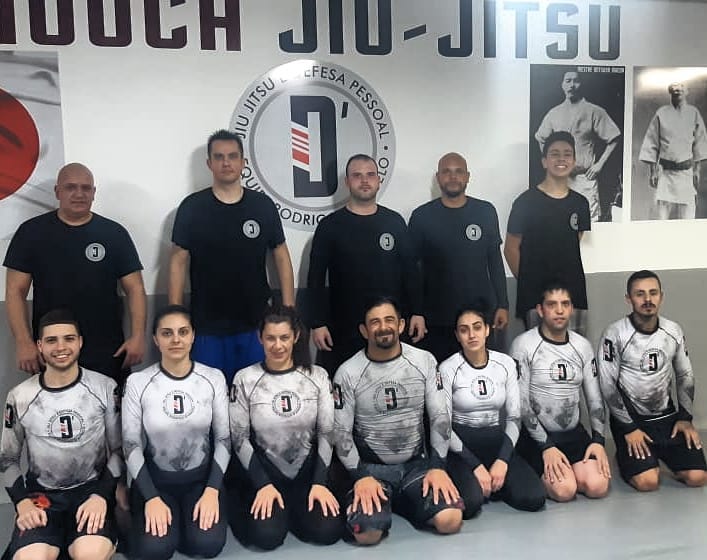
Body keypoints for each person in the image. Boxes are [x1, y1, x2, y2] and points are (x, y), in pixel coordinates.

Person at [333, 296, 463, 545]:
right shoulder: (347, 372)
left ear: (401, 325)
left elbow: (439, 416)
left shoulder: (424, 360)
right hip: (372, 471)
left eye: (389, 320)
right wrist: (360, 476)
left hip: (416, 465)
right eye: (375, 322)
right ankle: (390, 502)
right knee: (367, 535)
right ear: (364, 330)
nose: (383, 327)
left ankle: (403, 499)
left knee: (451, 520)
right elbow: (341, 433)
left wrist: (438, 466)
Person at [169, 129, 295, 383]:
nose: (226, 163)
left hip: (256, 323)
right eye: (219, 157)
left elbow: (281, 255)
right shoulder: (192, 207)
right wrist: (174, 314)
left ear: (243, 162)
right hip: (206, 325)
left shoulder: (262, 206)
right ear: (209, 164)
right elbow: (178, 262)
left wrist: (289, 307)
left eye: (232, 156)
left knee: (256, 393)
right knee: (210, 395)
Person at [4, 162, 146, 384]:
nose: (79, 194)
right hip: (53, 348)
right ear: (57, 192)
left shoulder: (114, 233)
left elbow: (135, 288)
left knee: (109, 406)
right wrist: (23, 342)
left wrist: (138, 336)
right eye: (70, 187)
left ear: (94, 192)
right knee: (55, 405)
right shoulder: (31, 232)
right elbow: (15, 291)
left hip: (106, 349)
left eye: (86, 188)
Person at [0, 310, 122, 560]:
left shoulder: (104, 387)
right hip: (42, 497)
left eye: (69, 338)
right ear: (39, 346)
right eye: (51, 340)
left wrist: (102, 495)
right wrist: (22, 503)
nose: (61, 347)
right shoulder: (20, 395)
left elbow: (119, 451)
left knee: (89, 554)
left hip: (90, 492)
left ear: (80, 342)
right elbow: (8, 458)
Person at [228, 305, 343, 549]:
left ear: (296, 336)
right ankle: (265, 510)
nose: (277, 345)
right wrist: (262, 484)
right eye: (270, 338)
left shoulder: (318, 376)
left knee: (328, 532)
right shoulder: (245, 378)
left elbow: (326, 432)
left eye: (284, 337)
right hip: (266, 475)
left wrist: (320, 483)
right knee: (266, 538)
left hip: (306, 476)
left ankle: (293, 513)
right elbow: (239, 438)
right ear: (260, 338)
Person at [122, 305, 230, 559]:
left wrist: (212, 490)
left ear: (193, 336)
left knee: (207, 545)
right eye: (167, 333)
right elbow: (130, 444)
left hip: (201, 481)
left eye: (183, 332)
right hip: (156, 483)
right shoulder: (138, 382)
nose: (176, 339)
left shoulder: (213, 378)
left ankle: (187, 523)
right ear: (155, 339)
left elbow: (224, 439)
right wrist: (151, 497)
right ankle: (166, 522)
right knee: (155, 550)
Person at [307, 154, 424, 376]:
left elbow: (411, 272)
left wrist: (418, 312)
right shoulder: (330, 226)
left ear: (379, 180)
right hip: (343, 328)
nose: (364, 180)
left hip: (388, 327)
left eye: (370, 175)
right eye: (357, 175)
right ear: (347, 182)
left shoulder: (394, 222)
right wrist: (317, 323)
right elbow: (315, 278)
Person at [598, 270, 707, 491]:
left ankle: (657, 454)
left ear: (661, 296)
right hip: (631, 421)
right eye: (640, 294)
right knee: (648, 482)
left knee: (698, 477)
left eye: (653, 293)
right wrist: (628, 428)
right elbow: (607, 385)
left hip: (666, 418)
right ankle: (627, 456)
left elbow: (685, 375)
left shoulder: (673, 330)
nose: (647, 299)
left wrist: (685, 418)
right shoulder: (615, 333)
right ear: (628, 299)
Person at [441, 302, 545, 515]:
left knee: (534, 498)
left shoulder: (505, 363)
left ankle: (496, 483)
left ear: (487, 330)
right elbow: (443, 426)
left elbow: (514, 417)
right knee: (470, 504)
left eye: (477, 327)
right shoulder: (447, 368)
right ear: (457, 335)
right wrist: (475, 465)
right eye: (464, 330)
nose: (472, 335)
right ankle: (483, 484)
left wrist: (503, 461)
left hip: (497, 445)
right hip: (462, 451)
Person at [510, 283, 610, 502]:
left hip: (573, 434)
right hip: (538, 438)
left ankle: (572, 470)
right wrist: (546, 446)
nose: (559, 310)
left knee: (598, 486)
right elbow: (522, 404)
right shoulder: (524, 345)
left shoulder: (582, 346)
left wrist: (598, 441)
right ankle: (553, 470)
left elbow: (594, 399)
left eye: (565, 304)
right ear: (540, 310)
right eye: (552, 305)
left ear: (571, 308)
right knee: (565, 490)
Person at [408, 153, 509, 360]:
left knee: (480, 374)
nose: (453, 177)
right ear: (438, 177)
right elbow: (412, 270)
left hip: (479, 317)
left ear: (467, 176)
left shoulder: (485, 212)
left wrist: (503, 304)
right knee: (440, 375)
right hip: (437, 318)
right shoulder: (421, 216)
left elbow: (495, 261)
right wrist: (416, 312)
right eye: (446, 172)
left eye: (458, 171)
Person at [504, 131, 591, 335]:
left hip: (573, 295)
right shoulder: (525, 203)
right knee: (538, 351)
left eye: (567, 154)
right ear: (544, 161)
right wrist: (529, 281)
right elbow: (510, 249)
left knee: (574, 350)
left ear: (574, 161)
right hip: (536, 298)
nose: (561, 159)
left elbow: (574, 241)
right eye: (554, 154)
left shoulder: (580, 203)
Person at [535, 70, 621, 222]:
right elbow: (541, 138)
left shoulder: (594, 111)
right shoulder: (554, 113)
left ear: (582, 84)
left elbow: (614, 137)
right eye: (568, 81)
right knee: (559, 222)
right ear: (562, 85)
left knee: (589, 224)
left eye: (576, 81)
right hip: (561, 179)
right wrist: (551, 166)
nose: (572, 85)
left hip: (584, 178)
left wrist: (599, 165)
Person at [638, 82, 707, 220]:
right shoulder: (661, 113)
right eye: (674, 87)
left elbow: (700, 143)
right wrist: (653, 171)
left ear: (686, 91)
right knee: (662, 219)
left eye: (680, 87)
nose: (677, 89)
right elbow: (652, 142)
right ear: (670, 91)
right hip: (666, 174)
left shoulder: (693, 113)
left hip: (686, 174)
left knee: (687, 219)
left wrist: (697, 170)